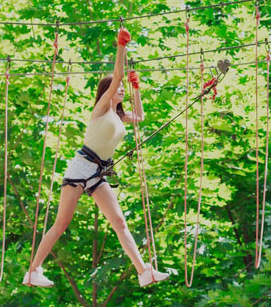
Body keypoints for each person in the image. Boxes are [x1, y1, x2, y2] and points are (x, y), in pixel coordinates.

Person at [22, 27, 169, 287]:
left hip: (98, 174)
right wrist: (121, 47)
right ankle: (34, 271)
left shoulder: (119, 116)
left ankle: (143, 271)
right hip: (81, 168)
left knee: (119, 221)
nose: (121, 90)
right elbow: (116, 76)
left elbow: (140, 117)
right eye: (119, 88)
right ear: (107, 91)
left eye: (123, 88)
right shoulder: (101, 109)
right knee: (61, 223)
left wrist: (136, 89)